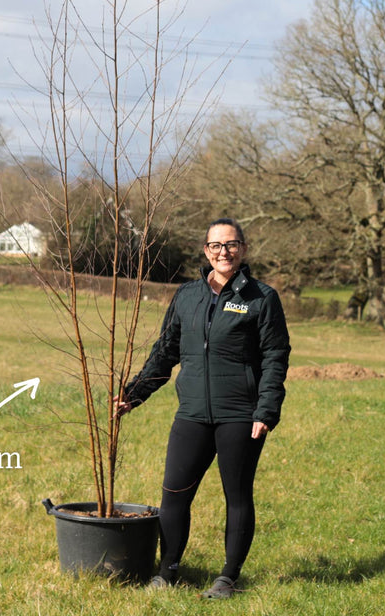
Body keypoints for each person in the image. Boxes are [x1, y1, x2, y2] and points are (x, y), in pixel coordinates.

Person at [115, 218, 290, 598]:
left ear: (242, 249)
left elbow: (276, 357)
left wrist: (266, 411)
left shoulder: (261, 298)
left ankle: (227, 578)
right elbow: (165, 351)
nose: (222, 252)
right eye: (215, 245)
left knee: (238, 495)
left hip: (240, 415)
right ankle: (168, 570)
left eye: (230, 245)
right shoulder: (187, 295)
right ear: (205, 251)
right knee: (173, 494)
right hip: (192, 412)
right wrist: (134, 393)